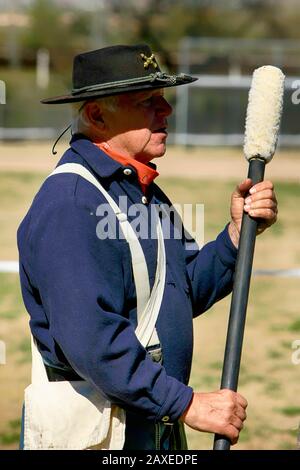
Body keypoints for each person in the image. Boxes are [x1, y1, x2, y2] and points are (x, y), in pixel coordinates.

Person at [17, 44, 278, 450]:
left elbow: (180, 289)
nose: (167, 110)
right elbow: (94, 341)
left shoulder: (143, 191)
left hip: (153, 425)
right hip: (105, 435)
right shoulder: (70, 203)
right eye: (147, 101)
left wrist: (235, 237)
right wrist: (186, 403)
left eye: (163, 97)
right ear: (97, 114)